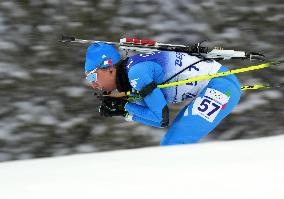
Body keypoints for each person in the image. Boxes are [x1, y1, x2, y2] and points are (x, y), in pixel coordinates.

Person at [84, 42, 241, 145]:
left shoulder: (136, 74)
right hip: (215, 85)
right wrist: (124, 111)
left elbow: (161, 118)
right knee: (169, 143)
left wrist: (126, 106)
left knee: (175, 143)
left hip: (221, 86)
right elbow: (157, 121)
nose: (92, 83)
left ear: (109, 68)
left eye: (92, 76)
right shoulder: (130, 79)